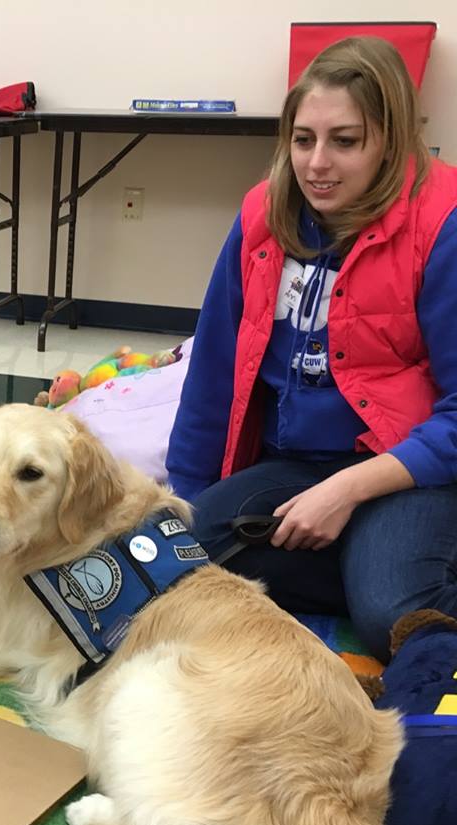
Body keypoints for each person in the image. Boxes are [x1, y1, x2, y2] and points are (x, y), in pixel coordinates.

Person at [166, 36, 457, 668]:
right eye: (303, 140)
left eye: (345, 141)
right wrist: (186, 503)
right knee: (173, 560)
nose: (317, 163)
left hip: (404, 465)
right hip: (295, 463)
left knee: (395, 621)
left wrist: (348, 491)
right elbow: (215, 371)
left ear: (392, 139)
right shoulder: (262, 214)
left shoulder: (443, 221)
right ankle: (370, 558)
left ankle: (387, 560)